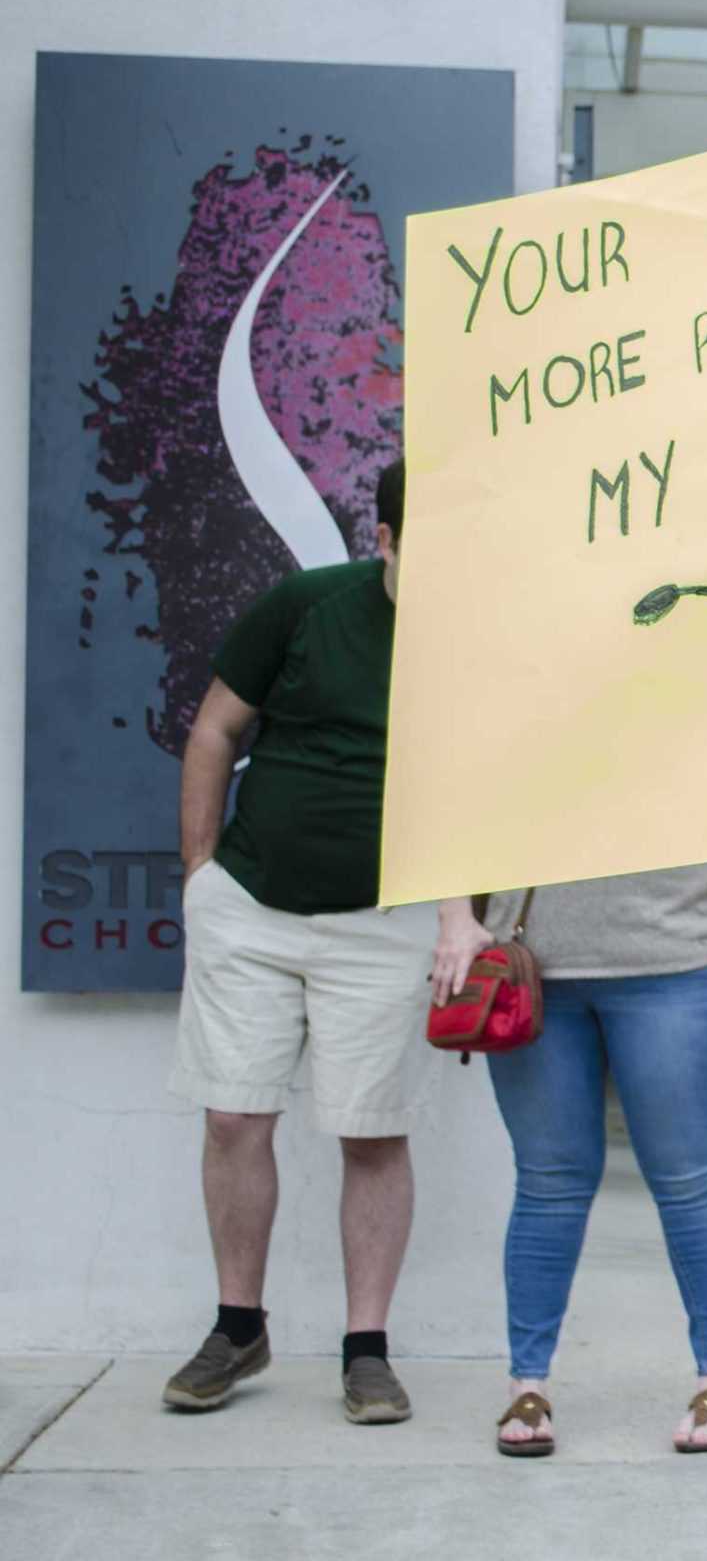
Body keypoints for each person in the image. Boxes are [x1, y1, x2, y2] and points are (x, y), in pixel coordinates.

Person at [161, 459, 435, 1425]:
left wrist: (466, 912)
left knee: (371, 1129)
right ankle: (238, 1327)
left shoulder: (485, 639)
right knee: (233, 1117)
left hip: (386, 916)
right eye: (424, 546)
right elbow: (213, 732)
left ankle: (367, 1349)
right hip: (252, 905)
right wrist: (201, 876)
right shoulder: (305, 606)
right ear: (386, 539)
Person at [433, 866, 707, 1457]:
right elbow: (455, 789)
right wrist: (455, 914)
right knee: (549, 1183)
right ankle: (526, 1381)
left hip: (676, 954)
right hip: (533, 959)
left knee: (689, 1181)